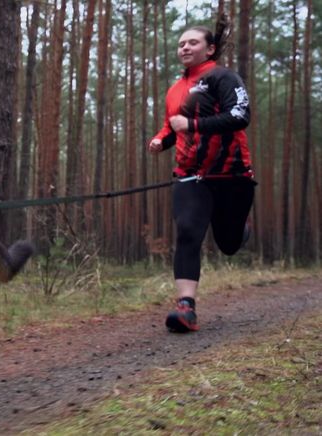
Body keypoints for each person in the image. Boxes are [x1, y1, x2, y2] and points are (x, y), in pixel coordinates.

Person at [148, 14, 255, 333]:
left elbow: (240, 115)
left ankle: (241, 230)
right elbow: (173, 126)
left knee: (229, 243)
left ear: (210, 49)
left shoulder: (223, 78)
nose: (184, 47)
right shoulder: (175, 89)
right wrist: (160, 140)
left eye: (192, 42)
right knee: (188, 232)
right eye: (181, 43)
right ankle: (186, 308)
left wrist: (193, 124)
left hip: (232, 175)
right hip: (190, 176)